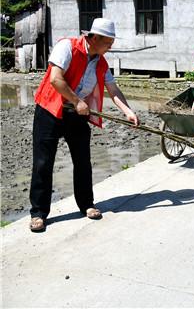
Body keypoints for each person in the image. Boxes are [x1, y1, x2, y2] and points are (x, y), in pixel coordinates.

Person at [29, 19, 139, 232]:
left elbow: (113, 90)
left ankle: (86, 204)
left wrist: (128, 111)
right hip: (50, 110)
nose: (110, 47)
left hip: (77, 114)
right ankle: (38, 213)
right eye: (108, 42)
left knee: (82, 161)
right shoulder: (67, 47)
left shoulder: (101, 62)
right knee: (43, 162)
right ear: (94, 38)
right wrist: (77, 101)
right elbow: (55, 79)